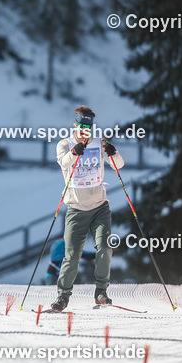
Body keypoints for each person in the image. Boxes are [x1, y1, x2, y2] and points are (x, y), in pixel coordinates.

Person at [51, 106, 123, 312]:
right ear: (75, 125)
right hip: (75, 209)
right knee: (72, 255)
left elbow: (120, 164)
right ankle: (63, 296)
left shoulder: (99, 144)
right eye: (81, 125)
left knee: (106, 247)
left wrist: (113, 152)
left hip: (100, 207)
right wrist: (74, 153)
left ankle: (101, 291)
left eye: (88, 126)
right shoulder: (64, 144)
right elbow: (64, 163)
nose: (84, 130)